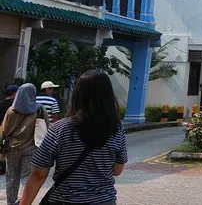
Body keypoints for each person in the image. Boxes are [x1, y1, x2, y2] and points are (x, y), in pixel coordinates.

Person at [21, 70, 127, 205]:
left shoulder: (59, 128)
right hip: (104, 200)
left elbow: (38, 174)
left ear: (78, 95)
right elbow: (117, 171)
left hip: (64, 200)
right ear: (108, 96)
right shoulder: (116, 130)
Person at [0, 83, 48, 205]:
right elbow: (46, 128)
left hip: (11, 149)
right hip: (31, 148)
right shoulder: (40, 109)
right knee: (26, 177)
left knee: (11, 178)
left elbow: (4, 130)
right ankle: (22, 202)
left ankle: (11, 203)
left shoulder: (11, 110)